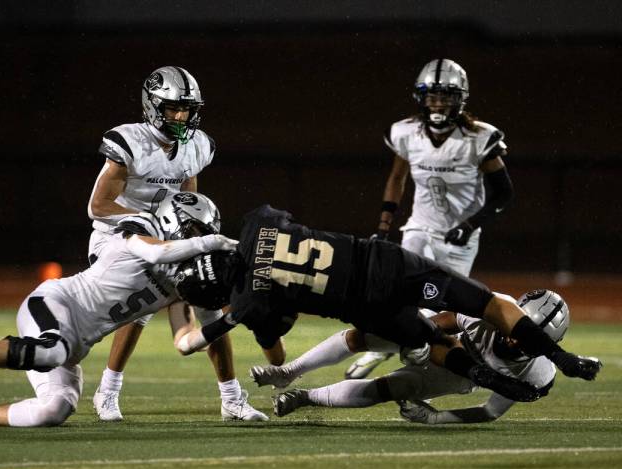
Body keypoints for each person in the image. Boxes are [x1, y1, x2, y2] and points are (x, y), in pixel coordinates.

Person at [171, 205, 601, 403]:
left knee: (429, 339)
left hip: (364, 304)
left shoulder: (247, 304)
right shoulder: (256, 222)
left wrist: (218, 317)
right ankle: (560, 356)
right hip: (385, 262)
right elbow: (276, 224)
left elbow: (196, 344)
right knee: (485, 301)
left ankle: (486, 377)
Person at [0, 193, 267, 426]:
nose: (200, 240)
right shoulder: (138, 233)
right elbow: (158, 254)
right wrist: (220, 242)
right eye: (196, 230)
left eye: (206, 233)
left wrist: (231, 317)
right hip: (53, 304)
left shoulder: (185, 281)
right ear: (171, 220)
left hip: (74, 344)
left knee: (53, 410)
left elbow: (187, 343)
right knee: (50, 351)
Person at [86, 66, 258, 421]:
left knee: (211, 297)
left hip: (167, 238)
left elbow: (187, 199)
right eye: (172, 109)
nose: (180, 116)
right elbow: (98, 206)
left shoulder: (196, 145)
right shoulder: (130, 141)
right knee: (143, 304)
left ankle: (231, 399)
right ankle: (107, 390)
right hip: (117, 237)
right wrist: (150, 222)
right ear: (152, 106)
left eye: (187, 109)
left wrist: (193, 235)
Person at [346, 58, 514, 380]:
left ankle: (416, 353)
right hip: (419, 227)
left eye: (445, 97)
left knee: (439, 307)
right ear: (420, 98)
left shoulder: (479, 137)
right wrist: (383, 227)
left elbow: (504, 193)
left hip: (459, 236)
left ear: (459, 99)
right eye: (432, 96)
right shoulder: (406, 132)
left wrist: (469, 225)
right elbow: (397, 179)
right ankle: (378, 348)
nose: (437, 104)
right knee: (400, 290)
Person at [251, 290, 571, 421]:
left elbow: (489, 411)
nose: (516, 342)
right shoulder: (495, 308)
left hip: (458, 374)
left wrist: (436, 419)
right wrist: (410, 336)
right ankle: (290, 370)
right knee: (367, 336)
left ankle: (305, 397)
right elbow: (448, 319)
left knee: (390, 389)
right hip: (445, 337)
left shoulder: (537, 375)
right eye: (518, 330)